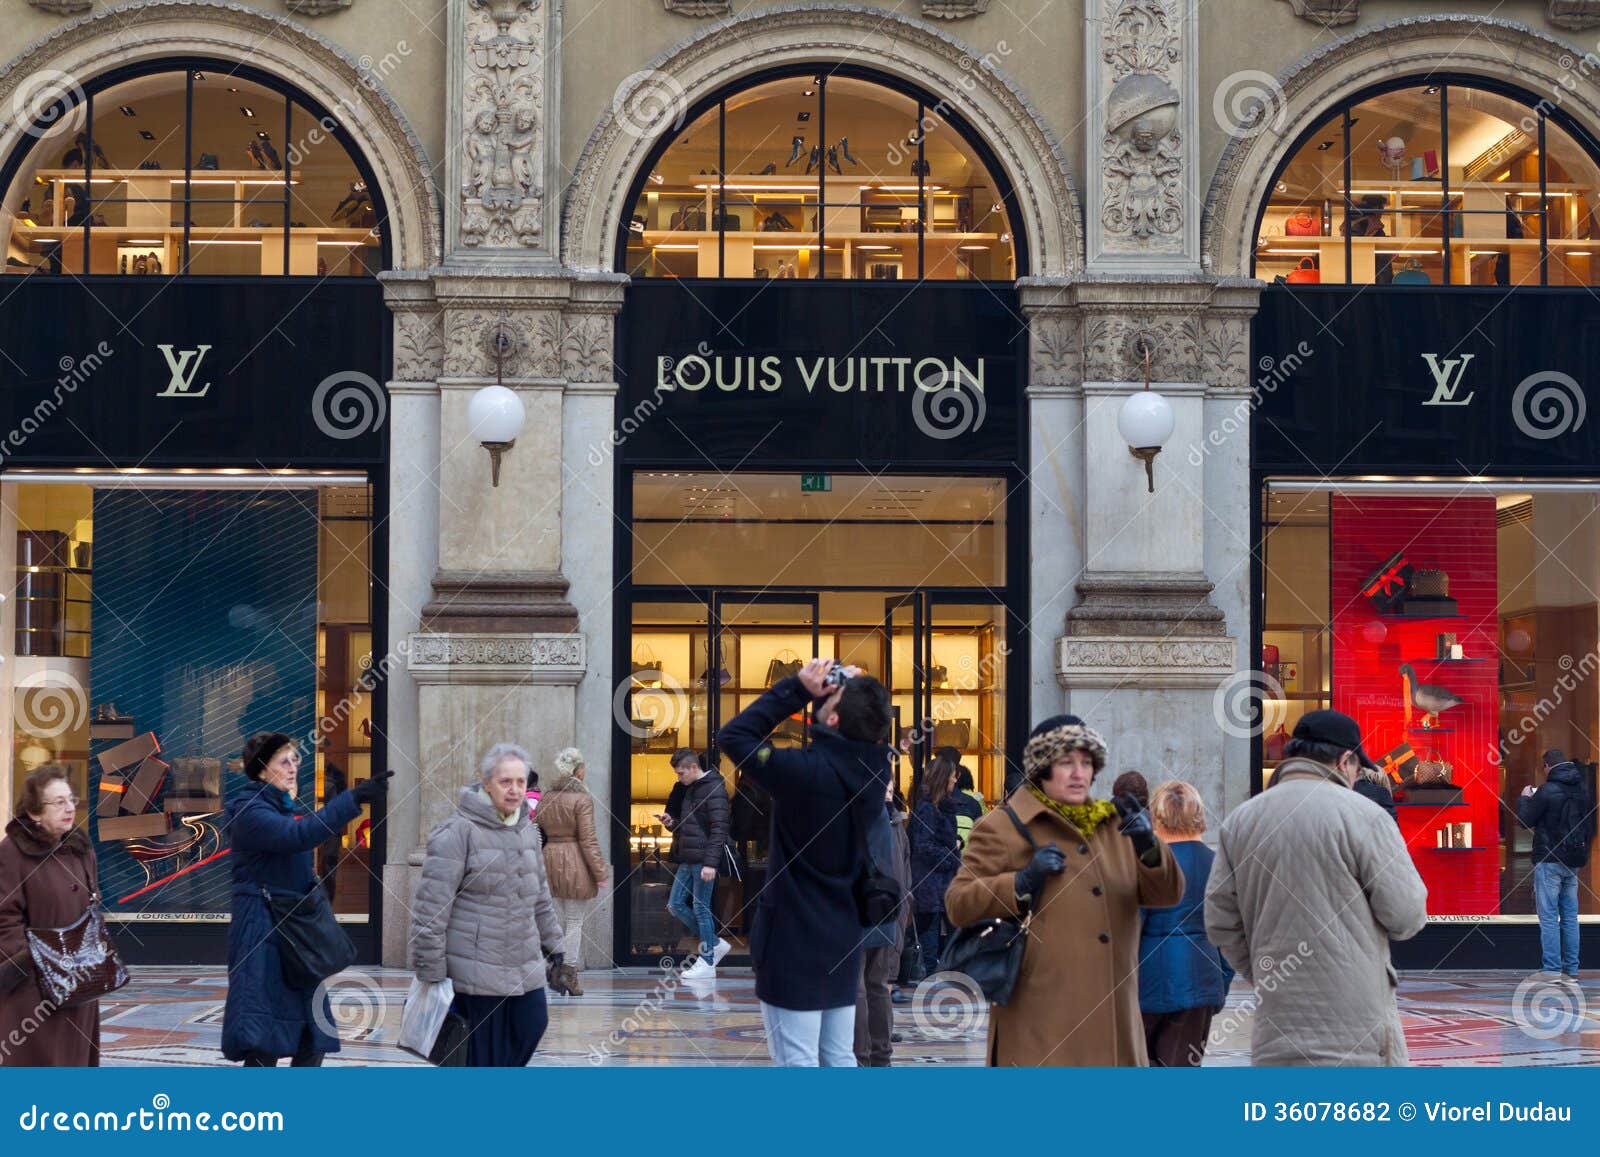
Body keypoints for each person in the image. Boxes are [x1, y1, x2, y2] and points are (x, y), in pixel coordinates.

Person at [947, 718, 1184, 1065]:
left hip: (1114, 1033)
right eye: (1066, 762)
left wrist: (1149, 845)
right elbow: (959, 903)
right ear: (1041, 768)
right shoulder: (1003, 827)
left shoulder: (1113, 826)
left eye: (1086, 763)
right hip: (1039, 1034)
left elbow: (1168, 894)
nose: (1078, 773)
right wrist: (1020, 882)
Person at [1205, 709, 1427, 1066]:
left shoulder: (1240, 822)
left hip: (1276, 1030)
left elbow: (1219, 920)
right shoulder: (1365, 817)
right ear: (1345, 761)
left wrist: (1265, 970)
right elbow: (1406, 915)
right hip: (1358, 1034)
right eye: (1357, 768)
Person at [720, 658, 894, 1067]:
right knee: (837, 1055)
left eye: (830, 696)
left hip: (793, 940)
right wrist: (859, 695)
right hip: (842, 936)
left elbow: (734, 735)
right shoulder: (874, 771)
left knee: (795, 1058)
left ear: (832, 719)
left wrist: (797, 688)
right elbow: (865, 730)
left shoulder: (803, 772)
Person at [222, 733, 390, 1067]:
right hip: (263, 933)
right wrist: (352, 798)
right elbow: (298, 836)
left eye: (295, 760)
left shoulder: (278, 806)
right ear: (260, 770)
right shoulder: (248, 811)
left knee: (313, 1036)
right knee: (263, 1038)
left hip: (293, 934)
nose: (293, 767)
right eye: (283, 761)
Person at [411, 742, 565, 1067]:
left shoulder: (526, 830)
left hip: (523, 963)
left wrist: (556, 949)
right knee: (483, 1056)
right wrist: (431, 970)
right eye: (505, 782)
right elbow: (431, 909)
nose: (514, 790)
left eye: (520, 782)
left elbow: (540, 897)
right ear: (486, 784)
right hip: (475, 969)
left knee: (532, 1023)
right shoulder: (457, 832)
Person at [0, 765, 103, 1066]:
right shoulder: (12, 854)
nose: (70, 808)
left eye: (71, 800)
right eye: (58, 802)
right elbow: (4, 918)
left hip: (80, 983)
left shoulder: (80, 849)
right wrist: (35, 963)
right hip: (34, 992)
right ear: (34, 812)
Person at [1138, 780, 1233, 1066]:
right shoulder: (1219, 865)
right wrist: (1220, 983)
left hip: (1146, 982)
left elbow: (1129, 932)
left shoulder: (1146, 863)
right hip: (1201, 980)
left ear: (1156, 816)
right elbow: (1228, 934)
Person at [536, 747, 609, 995]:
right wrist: (600, 871)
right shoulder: (582, 799)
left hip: (549, 860)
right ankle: (568, 972)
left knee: (554, 920)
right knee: (574, 921)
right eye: (584, 768)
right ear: (578, 771)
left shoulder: (547, 797)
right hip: (575, 860)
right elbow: (588, 840)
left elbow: (538, 832)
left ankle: (554, 969)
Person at [1518, 749, 1594, 981]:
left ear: (1547, 766)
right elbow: (1590, 826)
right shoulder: (1582, 791)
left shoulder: (1546, 791)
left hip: (1549, 860)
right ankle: (1571, 968)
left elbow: (1523, 820)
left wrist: (1524, 798)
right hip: (1573, 860)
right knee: (1570, 916)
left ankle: (1551, 969)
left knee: (1549, 916)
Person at [854, 776, 912, 1066]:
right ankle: (880, 1056)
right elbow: (904, 881)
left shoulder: (855, 818)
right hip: (886, 911)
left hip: (857, 911)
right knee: (876, 985)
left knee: (859, 987)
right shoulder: (895, 823)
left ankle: (862, 1056)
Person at [663, 748, 730, 979]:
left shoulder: (714, 788)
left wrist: (711, 863)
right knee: (675, 905)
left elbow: (719, 829)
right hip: (689, 857)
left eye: (681, 773)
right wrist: (671, 822)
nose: (678, 778)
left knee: (701, 909)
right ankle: (714, 943)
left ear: (693, 767)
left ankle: (707, 960)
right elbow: (687, 826)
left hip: (702, 859)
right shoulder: (690, 789)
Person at [908, 750, 962, 975]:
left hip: (941, 883)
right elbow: (924, 847)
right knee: (930, 934)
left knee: (949, 931)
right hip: (931, 884)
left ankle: (943, 975)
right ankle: (932, 977)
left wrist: (955, 842)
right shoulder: (928, 809)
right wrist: (953, 854)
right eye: (951, 775)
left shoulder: (941, 807)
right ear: (943, 778)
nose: (955, 779)